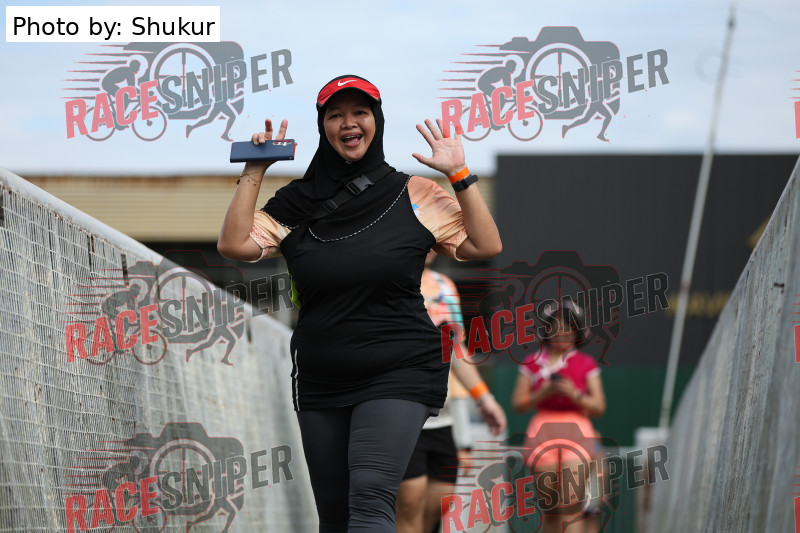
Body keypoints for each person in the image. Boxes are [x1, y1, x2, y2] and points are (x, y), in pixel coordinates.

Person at [216, 74, 502, 533]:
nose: (348, 123)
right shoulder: (297, 202)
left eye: (360, 112)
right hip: (322, 376)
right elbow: (234, 245)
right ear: (323, 127)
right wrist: (254, 169)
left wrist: (459, 175)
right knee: (335, 515)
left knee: (370, 495)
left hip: (399, 369)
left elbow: (484, 246)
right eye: (335, 115)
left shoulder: (416, 193)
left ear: (376, 121)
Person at [396, 250, 507, 533]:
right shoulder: (390, 280)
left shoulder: (445, 285)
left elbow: (456, 348)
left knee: (440, 504)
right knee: (409, 505)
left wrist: (484, 399)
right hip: (403, 416)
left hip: (443, 416)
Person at [510, 301, 606, 533]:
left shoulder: (585, 363)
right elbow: (517, 404)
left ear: (577, 332)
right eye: (556, 328)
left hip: (578, 432)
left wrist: (575, 394)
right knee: (550, 508)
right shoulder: (532, 362)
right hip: (542, 432)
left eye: (568, 329)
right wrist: (542, 393)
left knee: (571, 506)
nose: (561, 334)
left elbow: (599, 407)